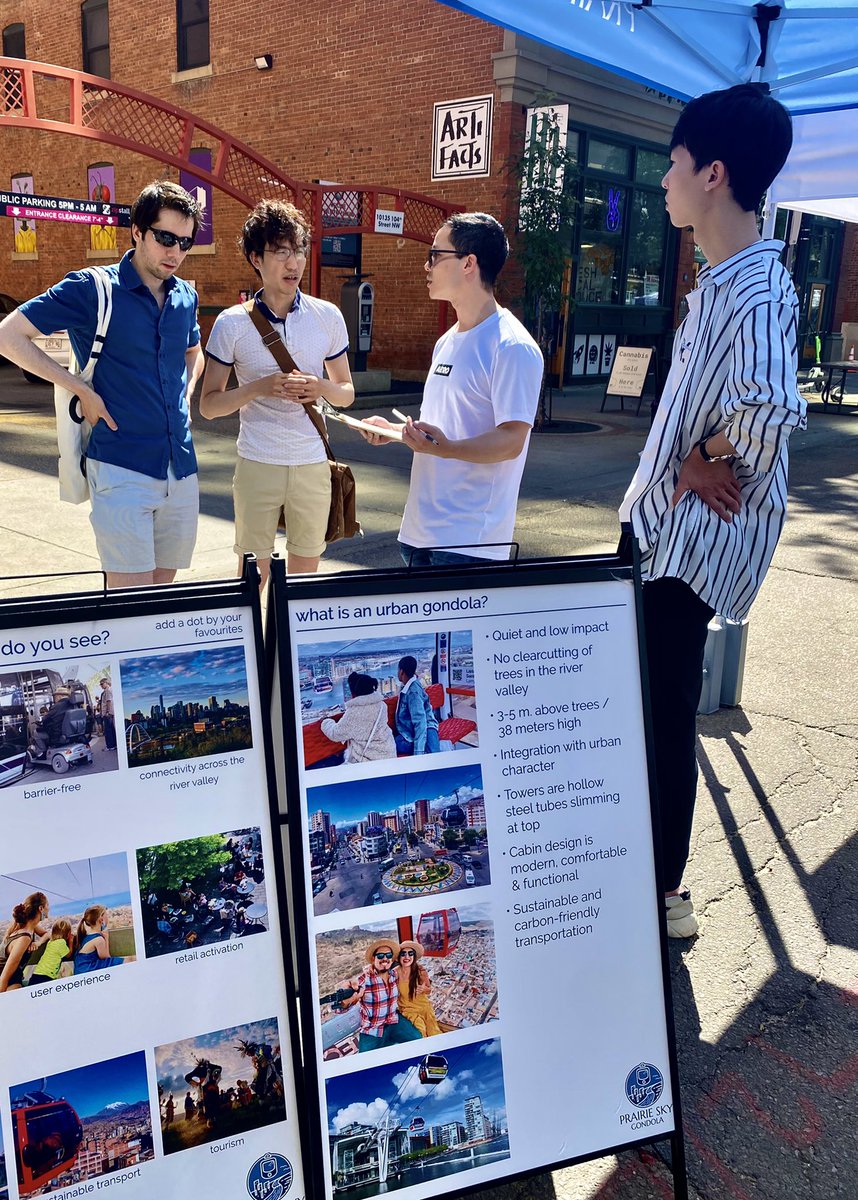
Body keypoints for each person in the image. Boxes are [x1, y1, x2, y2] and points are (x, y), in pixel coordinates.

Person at [619, 84, 805, 939]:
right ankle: (648, 877)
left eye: (674, 161)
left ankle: (661, 891)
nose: (663, 178)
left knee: (660, 715)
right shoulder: (726, 279)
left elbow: (769, 413)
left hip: (684, 545)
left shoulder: (757, 289)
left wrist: (705, 462)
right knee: (645, 708)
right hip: (661, 528)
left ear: (714, 173)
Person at [0, 181, 205, 589]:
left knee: (164, 602)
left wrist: (186, 390)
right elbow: (9, 335)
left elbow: (192, 351)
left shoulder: (184, 295)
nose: (175, 253)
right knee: (131, 603)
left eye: (185, 243)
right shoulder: (93, 288)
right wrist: (79, 388)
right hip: (121, 465)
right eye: (166, 238)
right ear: (138, 231)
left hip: (181, 467)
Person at [362, 212, 543, 566]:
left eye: (435, 255)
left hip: (470, 542)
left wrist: (447, 449)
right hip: (419, 533)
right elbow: (445, 430)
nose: (426, 265)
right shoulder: (447, 341)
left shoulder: (512, 346)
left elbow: (511, 441)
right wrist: (397, 432)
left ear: (468, 263)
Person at [200, 199, 354, 587]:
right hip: (257, 461)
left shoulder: (327, 316)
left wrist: (319, 387)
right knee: (252, 578)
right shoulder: (231, 324)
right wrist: (259, 387)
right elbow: (209, 406)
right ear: (256, 257)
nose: (294, 263)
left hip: (311, 463)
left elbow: (346, 393)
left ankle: (289, 649)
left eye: (299, 250)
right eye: (281, 251)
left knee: (304, 578)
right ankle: (254, 647)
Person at [341, 938, 423, 1052]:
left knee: (418, 1040)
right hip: (372, 1030)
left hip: (394, 1022)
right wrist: (345, 999)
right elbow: (343, 1004)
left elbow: (408, 966)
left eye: (388, 955)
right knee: (366, 1063)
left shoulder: (394, 974)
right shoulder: (364, 980)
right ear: (373, 959)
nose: (385, 958)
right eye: (380, 956)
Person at [320, 672, 396, 763]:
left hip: (371, 760)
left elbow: (335, 734)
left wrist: (326, 722)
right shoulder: (382, 705)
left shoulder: (355, 712)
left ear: (354, 693)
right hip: (389, 752)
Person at [0, 892, 49, 991]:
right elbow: (4, 976)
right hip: (6, 980)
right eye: (47, 905)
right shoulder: (24, 938)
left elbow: (47, 934)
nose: (49, 909)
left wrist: (38, 943)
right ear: (41, 908)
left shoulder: (30, 926)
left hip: (14, 978)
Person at [396, 940, 442, 1037]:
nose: (407, 957)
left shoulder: (420, 971)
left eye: (410, 953)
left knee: (434, 1033)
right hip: (409, 1011)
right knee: (420, 1033)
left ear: (414, 956)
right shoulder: (394, 973)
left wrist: (424, 989)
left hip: (424, 1008)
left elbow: (429, 990)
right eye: (403, 953)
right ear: (399, 956)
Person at [394, 656, 439, 755]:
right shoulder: (414, 684)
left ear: (401, 671)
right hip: (426, 729)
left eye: (398, 670)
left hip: (416, 734)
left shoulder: (412, 692)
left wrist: (418, 753)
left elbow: (420, 723)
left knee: (388, 745)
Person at [73, 904, 128, 972]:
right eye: (106, 915)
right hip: (88, 969)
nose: (108, 917)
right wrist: (106, 939)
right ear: (101, 919)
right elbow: (106, 957)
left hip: (81, 969)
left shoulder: (87, 935)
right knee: (127, 961)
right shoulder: (98, 939)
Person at [30, 686, 75, 759]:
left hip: (57, 734)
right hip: (72, 733)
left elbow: (45, 719)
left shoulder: (56, 706)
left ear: (59, 696)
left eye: (55, 696)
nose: (54, 698)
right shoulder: (73, 705)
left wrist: (42, 722)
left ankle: (42, 753)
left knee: (36, 733)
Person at [28, 919, 73, 986]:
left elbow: (47, 935)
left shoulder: (51, 940)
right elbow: (68, 955)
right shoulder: (61, 942)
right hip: (47, 976)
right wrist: (71, 942)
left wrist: (39, 942)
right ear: (68, 933)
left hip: (37, 974)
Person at [99, 677, 116, 751]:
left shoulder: (107, 691)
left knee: (108, 730)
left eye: (102, 684)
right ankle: (114, 744)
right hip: (110, 713)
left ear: (106, 683)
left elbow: (108, 701)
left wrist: (107, 712)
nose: (101, 685)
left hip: (108, 714)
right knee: (111, 729)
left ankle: (110, 746)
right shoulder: (110, 690)